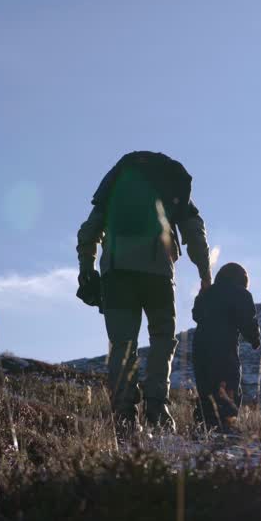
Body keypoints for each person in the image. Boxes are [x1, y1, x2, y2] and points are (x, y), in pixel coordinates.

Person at [76, 151, 212, 430]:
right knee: (163, 339)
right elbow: (194, 231)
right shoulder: (169, 185)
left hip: (117, 275)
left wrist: (86, 268)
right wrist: (205, 275)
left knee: (122, 345)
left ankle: (124, 414)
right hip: (159, 274)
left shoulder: (113, 186)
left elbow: (89, 231)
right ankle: (157, 410)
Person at [191, 262, 261, 431]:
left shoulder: (208, 292)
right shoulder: (241, 294)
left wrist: (202, 294)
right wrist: (255, 338)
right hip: (224, 348)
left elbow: (196, 314)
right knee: (228, 388)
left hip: (200, 348)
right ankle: (226, 428)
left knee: (205, 389)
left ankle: (204, 427)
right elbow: (247, 321)